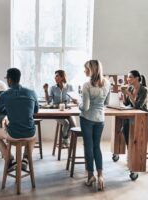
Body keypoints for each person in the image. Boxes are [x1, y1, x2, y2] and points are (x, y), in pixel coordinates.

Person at [0, 68, 39, 171]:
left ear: (9, 80)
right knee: (32, 133)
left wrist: (9, 110)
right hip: (29, 132)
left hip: (13, 133)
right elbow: (36, 110)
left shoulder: (5, 95)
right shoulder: (32, 92)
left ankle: (9, 159)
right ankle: (25, 160)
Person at [79, 60, 110, 191]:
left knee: (89, 147)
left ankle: (91, 176)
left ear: (92, 70)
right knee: (97, 146)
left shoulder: (87, 85)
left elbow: (85, 107)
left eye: (86, 68)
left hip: (87, 119)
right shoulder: (107, 83)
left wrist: (78, 104)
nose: (84, 71)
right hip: (100, 119)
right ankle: (101, 176)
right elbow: (106, 102)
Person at [43, 70, 77, 146]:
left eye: (57, 76)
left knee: (74, 125)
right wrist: (45, 91)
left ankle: (65, 139)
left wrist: (75, 101)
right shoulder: (53, 88)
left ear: (62, 77)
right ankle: (65, 140)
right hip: (56, 111)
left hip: (67, 111)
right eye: (55, 76)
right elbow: (49, 101)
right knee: (66, 123)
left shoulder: (69, 87)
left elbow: (74, 99)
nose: (55, 77)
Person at [121, 70, 148, 146]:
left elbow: (138, 106)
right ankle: (129, 148)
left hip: (142, 117)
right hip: (132, 115)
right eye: (127, 77)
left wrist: (129, 94)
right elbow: (126, 104)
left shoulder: (144, 90)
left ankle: (131, 148)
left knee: (126, 125)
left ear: (137, 78)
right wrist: (124, 94)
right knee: (122, 123)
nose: (128, 79)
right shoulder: (130, 88)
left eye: (130, 77)